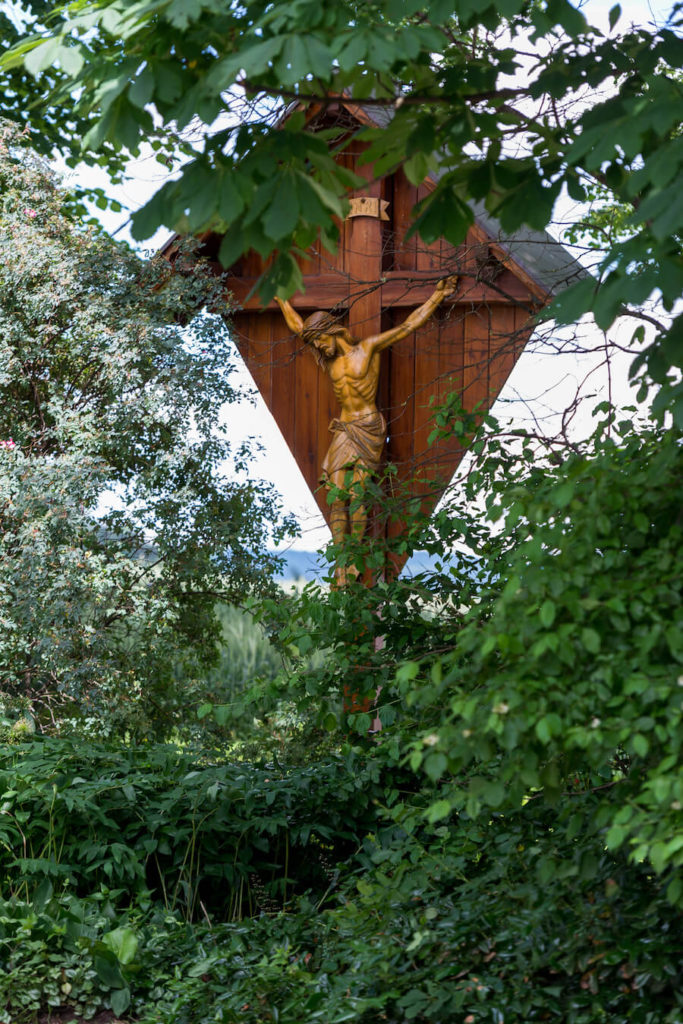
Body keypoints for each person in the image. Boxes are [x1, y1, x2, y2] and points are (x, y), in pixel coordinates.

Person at [275, 275, 458, 584]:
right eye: (314, 343)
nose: (317, 347)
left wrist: (437, 296)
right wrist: (279, 294)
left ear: (331, 332)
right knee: (336, 496)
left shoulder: (367, 349)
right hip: (344, 429)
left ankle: (355, 559)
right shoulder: (326, 359)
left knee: (359, 496)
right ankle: (340, 563)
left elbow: (407, 327)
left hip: (368, 428)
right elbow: (296, 327)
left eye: (319, 340)